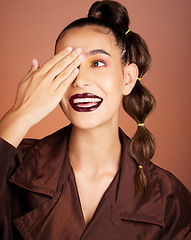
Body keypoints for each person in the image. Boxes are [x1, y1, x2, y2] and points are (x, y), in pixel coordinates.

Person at [0, 0, 190, 239]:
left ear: (128, 78)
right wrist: (20, 114)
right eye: (69, 66)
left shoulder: (169, 199)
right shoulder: (13, 164)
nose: (80, 81)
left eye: (97, 63)